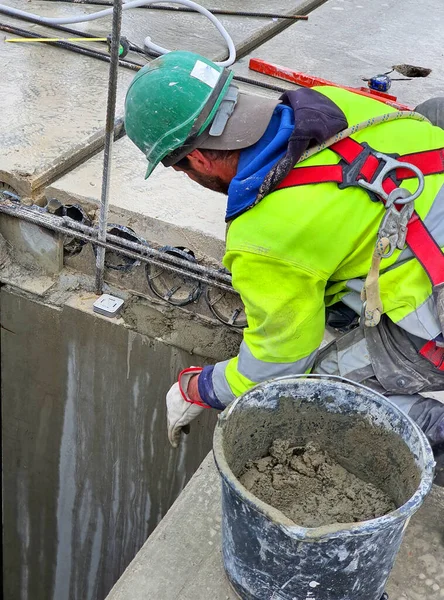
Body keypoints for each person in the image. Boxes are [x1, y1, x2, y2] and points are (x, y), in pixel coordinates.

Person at [124, 50, 444, 464]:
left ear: (199, 159)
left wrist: (199, 387)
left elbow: (276, 367)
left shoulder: (264, 238)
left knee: (318, 394)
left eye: (182, 168)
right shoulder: (332, 103)